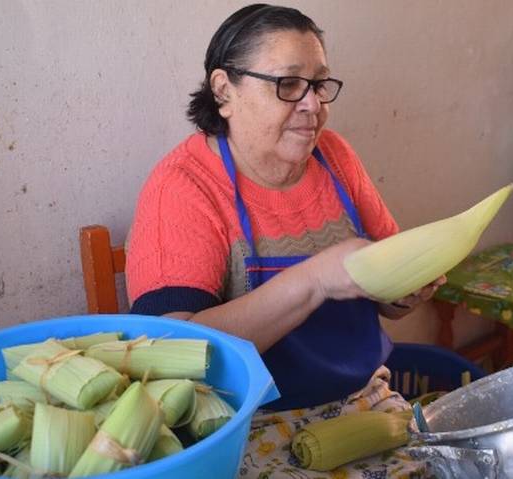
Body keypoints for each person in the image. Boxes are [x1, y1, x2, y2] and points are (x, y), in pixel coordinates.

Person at [126, 4, 444, 477]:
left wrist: (408, 290)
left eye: (319, 84)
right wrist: (314, 280)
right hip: (242, 426)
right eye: (288, 84)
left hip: (364, 400)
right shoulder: (184, 187)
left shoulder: (335, 157)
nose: (313, 104)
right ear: (224, 91)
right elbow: (170, 354)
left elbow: (386, 295)